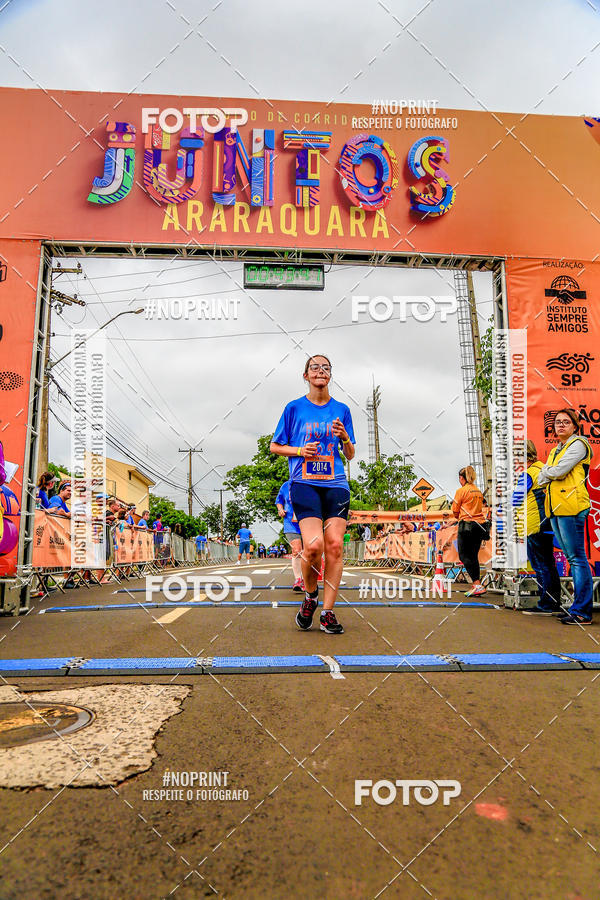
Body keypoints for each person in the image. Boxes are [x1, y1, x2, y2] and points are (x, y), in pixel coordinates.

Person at [270, 353, 356, 634]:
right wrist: (298, 450)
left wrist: (344, 437)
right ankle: (310, 596)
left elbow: (351, 454)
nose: (321, 370)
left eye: (326, 367)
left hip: (336, 484)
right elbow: (274, 446)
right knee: (314, 547)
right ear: (305, 375)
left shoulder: (341, 409)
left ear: (330, 375)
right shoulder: (294, 408)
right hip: (304, 483)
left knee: (335, 547)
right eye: (314, 367)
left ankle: (328, 612)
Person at [538, 408, 594, 625]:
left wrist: (547, 472)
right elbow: (546, 476)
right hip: (556, 508)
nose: (560, 425)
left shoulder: (578, 444)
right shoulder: (555, 450)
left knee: (577, 559)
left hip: (572, 507)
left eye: (566, 422)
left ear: (575, 425)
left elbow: (558, 471)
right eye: (557, 422)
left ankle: (582, 611)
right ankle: (577, 607)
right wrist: (548, 473)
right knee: (573, 558)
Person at [512, 440, 562, 615]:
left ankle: (546, 603)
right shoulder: (544, 468)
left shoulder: (528, 474)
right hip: (547, 521)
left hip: (532, 523)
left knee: (540, 565)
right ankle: (554, 601)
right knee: (549, 564)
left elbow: (515, 499)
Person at [452, 466, 488, 597]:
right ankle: (476, 585)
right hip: (479, 525)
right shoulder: (478, 491)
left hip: (466, 525)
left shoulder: (461, 491)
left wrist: (459, 516)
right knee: (473, 556)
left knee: (463, 556)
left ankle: (477, 583)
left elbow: (455, 510)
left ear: (462, 478)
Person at [276, 480, 304, 589]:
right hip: (290, 523)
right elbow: (279, 500)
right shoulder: (286, 485)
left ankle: (307, 579)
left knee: (309, 553)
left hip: (308, 522)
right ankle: (298, 579)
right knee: (297, 550)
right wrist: (280, 509)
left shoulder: (311, 482)